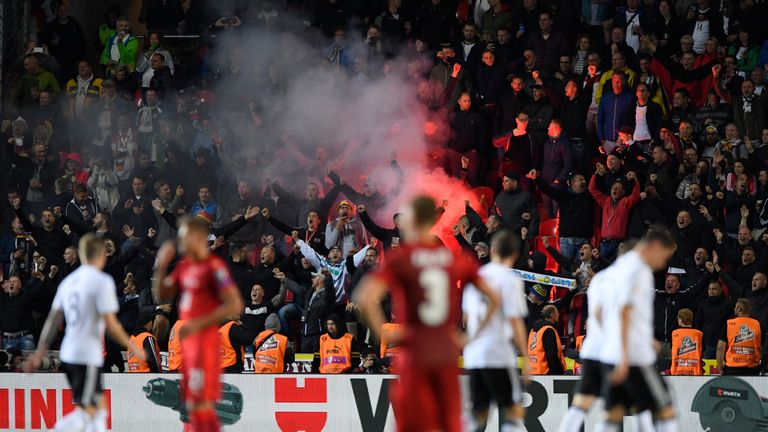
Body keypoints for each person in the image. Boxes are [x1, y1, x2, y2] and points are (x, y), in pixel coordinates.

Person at [356, 195, 501, 432]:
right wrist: (470, 335)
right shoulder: (453, 260)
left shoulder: (403, 257)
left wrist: (387, 333)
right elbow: (493, 298)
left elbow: (365, 297)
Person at [24, 234, 144, 432]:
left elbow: (53, 319)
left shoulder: (68, 282)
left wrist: (39, 352)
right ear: (100, 255)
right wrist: (132, 346)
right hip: (86, 354)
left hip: (70, 353)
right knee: (88, 410)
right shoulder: (101, 281)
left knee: (97, 409)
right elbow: (111, 324)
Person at [155, 217, 244, 432]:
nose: (182, 242)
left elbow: (235, 303)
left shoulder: (215, 268)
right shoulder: (185, 267)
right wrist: (161, 266)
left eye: (186, 238)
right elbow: (162, 293)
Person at [597, 226, 678, 432]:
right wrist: (625, 356)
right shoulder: (639, 271)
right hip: (633, 356)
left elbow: (602, 313)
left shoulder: (615, 270)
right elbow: (624, 311)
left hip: (611, 353)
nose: (663, 264)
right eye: (665, 256)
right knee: (665, 407)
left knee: (615, 413)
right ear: (656, 246)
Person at [462, 230, 529, 432]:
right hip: (498, 352)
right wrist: (526, 358)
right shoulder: (510, 280)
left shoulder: (474, 278)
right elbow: (515, 320)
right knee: (513, 409)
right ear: (515, 254)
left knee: (478, 412)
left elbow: (466, 318)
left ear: (492, 251)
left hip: (474, 354)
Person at [717, 298, 762, 375]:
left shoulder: (729, 324)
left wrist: (720, 367)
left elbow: (720, 348)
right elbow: (761, 347)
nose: (734, 309)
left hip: (732, 368)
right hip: (752, 369)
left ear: (739, 309)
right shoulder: (757, 324)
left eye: (735, 307)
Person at [528, 304, 566, 375]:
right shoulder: (548, 330)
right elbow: (551, 355)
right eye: (557, 312)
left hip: (533, 370)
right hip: (545, 372)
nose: (559, 314)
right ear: (552, 315)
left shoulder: (533, 329)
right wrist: (558, 373)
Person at [670, 308, 703, 375]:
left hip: (678, 372)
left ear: (681, 320)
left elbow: (673, 353)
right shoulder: (699, 334)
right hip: (695, 372)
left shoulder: (675, 333)